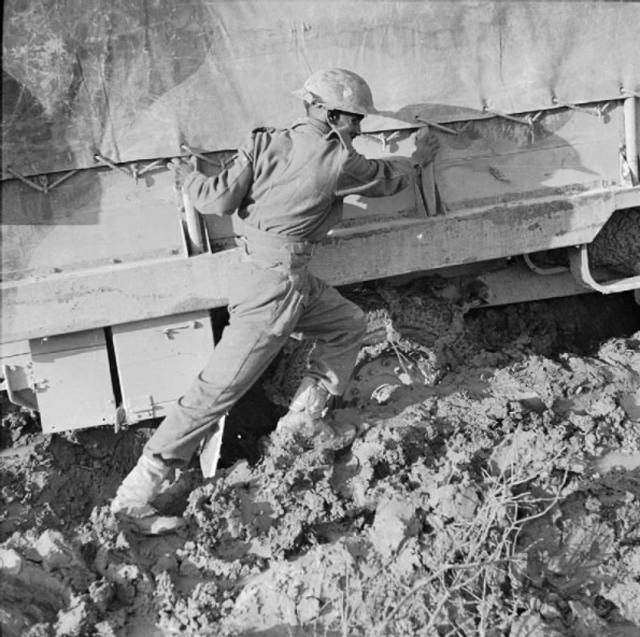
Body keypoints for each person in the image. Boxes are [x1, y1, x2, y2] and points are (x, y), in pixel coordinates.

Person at [110, 68, 440, 535]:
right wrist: (419, 159)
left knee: (347, 324)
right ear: (326, 113)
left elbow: (219, 199)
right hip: (275, 288)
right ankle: (133, 497)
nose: (359, 129)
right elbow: (389, 179)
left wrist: (189, 181)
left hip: (264, 273)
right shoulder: (338, 160)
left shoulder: (264, 142)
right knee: (217, 390)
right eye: (353, 120)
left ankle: (301, 425)